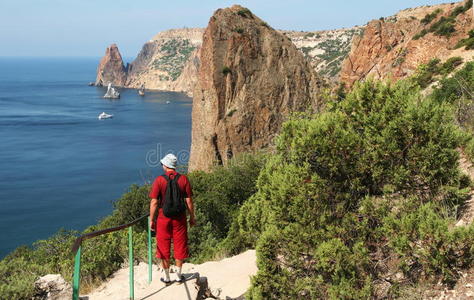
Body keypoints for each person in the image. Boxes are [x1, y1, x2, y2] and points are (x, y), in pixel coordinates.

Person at [149, 153, 196, 284]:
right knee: (180, 244)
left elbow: (154, 202)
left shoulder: (159, 180)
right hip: (180, 218)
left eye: (162, 164)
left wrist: (152, 220)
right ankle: (179, 276)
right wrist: (192, 217)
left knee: (163, 245)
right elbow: (189, 201)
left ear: (166, 165)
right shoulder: (183, 179)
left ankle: (167, 277)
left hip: (163, 218)